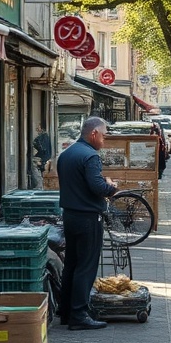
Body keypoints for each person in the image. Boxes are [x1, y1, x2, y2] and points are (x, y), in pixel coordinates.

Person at [56, 116, 118, 330]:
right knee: (86, 266)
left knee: (71, 264)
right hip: (88, 217)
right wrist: (111, 185)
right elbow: (97, 187)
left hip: (70, 215)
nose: (105, 140)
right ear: (94, 134)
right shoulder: (91, 156)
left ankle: (66, 311)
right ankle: (79, 315)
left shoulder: (67, 154)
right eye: (103, 135)